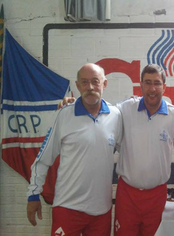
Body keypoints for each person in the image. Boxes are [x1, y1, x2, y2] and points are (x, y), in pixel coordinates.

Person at [27, 63, 122, 236]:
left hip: (101, 210)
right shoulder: (64, 114)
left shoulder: (116, 115)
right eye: (84, 82)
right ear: (77, 86)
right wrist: (33, 194)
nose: (90, 87)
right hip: (67, 207)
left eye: (95, 81)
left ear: (104, 84)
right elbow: (43, 159)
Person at [113, 64, 174, 236]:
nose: (152, 88)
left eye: (157, 83)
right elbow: (99, 111)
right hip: (127, 194)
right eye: (148, 82)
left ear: (164, 87)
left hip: (157, 196)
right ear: (141, 85)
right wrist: (73, 102)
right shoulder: (124, 109)